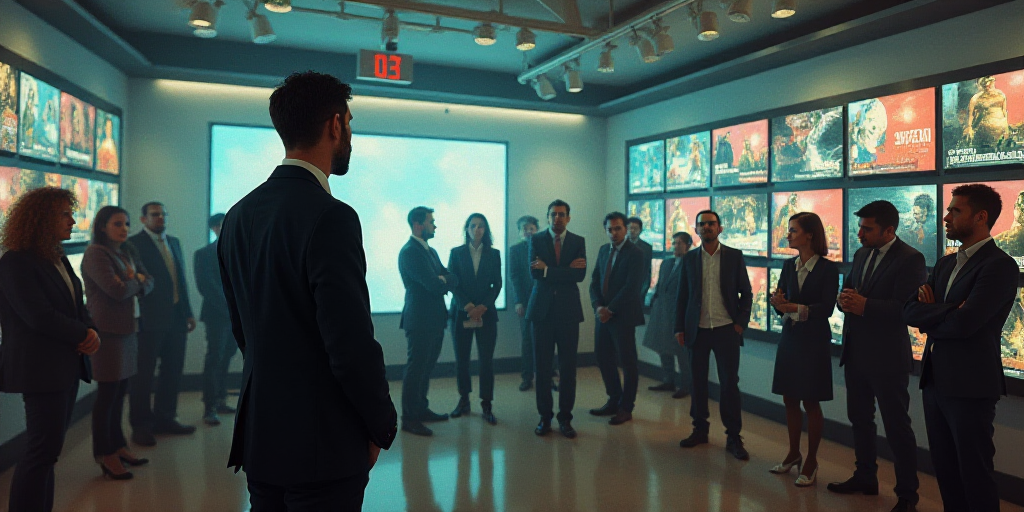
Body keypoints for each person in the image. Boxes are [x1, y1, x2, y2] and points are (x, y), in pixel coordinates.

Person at [217, 71, 397, 511]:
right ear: (335, 125)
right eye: (350, 123)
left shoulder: (237, 216)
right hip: (322, 443)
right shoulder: (332, 216)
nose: (350, 134)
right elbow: (349, 344)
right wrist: (379, 425)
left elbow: (245, 331)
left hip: (262, 435)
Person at [905, 184, 1017, 512]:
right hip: (935, 381)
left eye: (956, 210)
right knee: (946, 472)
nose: (946, 217)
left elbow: (967, 323)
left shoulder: (999, 265)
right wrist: (947, 310)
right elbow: (910, 310)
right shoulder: (945, 265)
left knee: (974, 474)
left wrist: (937, 313)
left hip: (970, 385)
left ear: (980, 217)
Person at [0, 187, 100, 512]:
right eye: (65, 214)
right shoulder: (16, 261)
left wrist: (91, 329)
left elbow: (75, 303)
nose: (73, 220)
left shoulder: (54, 254)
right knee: (41, 452)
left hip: (65, 365)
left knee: (48, 454)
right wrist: (85, 332)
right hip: (41, 369)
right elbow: (38, 316)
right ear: (42, 218)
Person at [830, 201, 926, 512]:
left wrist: (864, 305)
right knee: (860, 419)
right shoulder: (860, 253)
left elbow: (906, 310)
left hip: (887, 358)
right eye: (860, 227)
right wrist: (844, 300)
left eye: (867, 228)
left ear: (889, 230)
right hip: (856, 352)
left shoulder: (911, 259)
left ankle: (907, 496)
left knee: (897, 427)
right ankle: (865, 477)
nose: (860, 233)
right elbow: (852, 291)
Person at [81, 206, 154, 481]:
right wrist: (137, 280)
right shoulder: (95, 253)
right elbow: (116, 290)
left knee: (120, 391)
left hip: (127, 329)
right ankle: (105, 454)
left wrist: (136, 281)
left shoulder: (126, 252)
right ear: (102, 227)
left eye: (126, 223)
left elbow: (150, 282)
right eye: (117, 224)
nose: (124, 229)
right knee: (107, 396)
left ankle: (119, 446)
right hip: (108, 332)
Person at [768, 212, 839, 488]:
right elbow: (781, 303)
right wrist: (779, 303)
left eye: (793, 230)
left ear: (809, 234)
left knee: (811, 401)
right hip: (790, 338)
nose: (788, 235)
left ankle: (811, 460)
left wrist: (791, 307)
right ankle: (793, 453)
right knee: (789, 398)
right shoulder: (788, 266)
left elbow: (826, 309)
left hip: (813, 342)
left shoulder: (827, 269)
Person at [674, 210, 752, 460]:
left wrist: (740, 323)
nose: (706, 227)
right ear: (696, 230)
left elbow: (746, 294)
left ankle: (733, 436)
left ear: (720, 228)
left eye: (711, 224)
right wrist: (679, 327)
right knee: (697, 382)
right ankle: (700, 430)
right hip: (697, 330)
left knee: (729, 384)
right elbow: (682, 296)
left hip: (726, 329)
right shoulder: (689, 260)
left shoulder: (733, 257)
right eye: (702, 224)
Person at [127, 202, 197, 446]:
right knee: (143, 376)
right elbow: (135, 282)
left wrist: (188, 312)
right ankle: (141, 425)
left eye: (163, 214)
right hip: (149, 319)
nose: (160, 218)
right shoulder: (134, 244)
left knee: (172, 371)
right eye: (155, 215)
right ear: (143, 219)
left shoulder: (174, 242)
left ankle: (166, 418)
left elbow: (180, 279)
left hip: (177, 317)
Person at [528, 199, 587, 439]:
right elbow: (534, 272)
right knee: (542, 369)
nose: (557, 218)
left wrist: (548, 270)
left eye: (562, 214)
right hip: (541, 312)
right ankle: (545, 417)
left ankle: (565, 418)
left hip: (568, 314)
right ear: (547, 217)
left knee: (568, 369)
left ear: (569, 218)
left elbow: (580, 275)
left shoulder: (578, 241)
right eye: (553, 214)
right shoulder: (536, 239)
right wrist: (564, 272)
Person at [399, 206, 459, 437]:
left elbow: (450, 276)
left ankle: (421, 410)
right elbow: (434, 284)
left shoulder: (430, 252)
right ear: (418, 224)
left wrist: (442, 278)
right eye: (431, 221)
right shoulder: (409, 252)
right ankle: (409, 419)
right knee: (416, 369)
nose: (435, 225)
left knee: (425, 368)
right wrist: (442, 279)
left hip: (434, 319)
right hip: (420, 320)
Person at [588, 212, 645, 426]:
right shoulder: (604, 250)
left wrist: (610, 309)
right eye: (610, 229)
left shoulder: (635, 253)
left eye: (618, 229)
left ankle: (626, 407)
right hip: (603, 315)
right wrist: (598, 306)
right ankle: (613, 399)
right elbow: (594, 281)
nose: (613, 233)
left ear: (625, 229)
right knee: (603, 357)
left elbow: (632, 287)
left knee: (627, 362)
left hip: (622, 316)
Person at [448, 213, 503, 425]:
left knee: (486, 361)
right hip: (462, 313)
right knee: (462, 359)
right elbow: (454, 283)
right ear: (467, 229)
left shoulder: (494, 254)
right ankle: (464, 400)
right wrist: (468, 306)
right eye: (472, 226)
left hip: (486, 315)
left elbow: (497, 285)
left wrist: (482, 306)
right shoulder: (457, 253)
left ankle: (486, 404)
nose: (476, 229)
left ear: (485, 230)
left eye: (481, 226)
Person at [195, 213, 237, 426]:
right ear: (214, 228)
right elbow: (206, 287)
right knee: (214, 358)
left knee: (227, 356)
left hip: (236, 316)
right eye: (222, 225)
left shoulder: (239, 250)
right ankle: (209, 407)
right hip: (217, 316)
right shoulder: (203, 254)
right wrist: (229, 307)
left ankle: (220, 399)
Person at [644, 232, 692, 399]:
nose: (675, 246)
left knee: (681, 351)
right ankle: (668, 380)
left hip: (679, 313)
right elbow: (659, 285)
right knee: (662, 347)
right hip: (662, 310)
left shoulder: (691, 264)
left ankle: (686, 385)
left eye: (679, 243)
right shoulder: (666, 263)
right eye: (674, 242)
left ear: (688, 245)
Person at [509, 215, 542, 392]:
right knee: (527, 340)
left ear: (536, 230)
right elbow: (514, 277)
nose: (528, 231)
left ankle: (546, 376)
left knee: (545, 340)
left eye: (532, 228)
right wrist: (518, 301)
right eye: (525, 228)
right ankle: (527, 377)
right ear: (519, 232)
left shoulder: (544, 247)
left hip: (544, 301)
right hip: (525, 301)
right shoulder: (515, 250)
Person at [626, 216, 653, 302]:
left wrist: (643, 291)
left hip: (639, 289)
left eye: (635, 228)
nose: (632, 231)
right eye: (630, 228)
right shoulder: (620, 246)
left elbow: (647, 271)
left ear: (640, 230)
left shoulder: (646, 248)